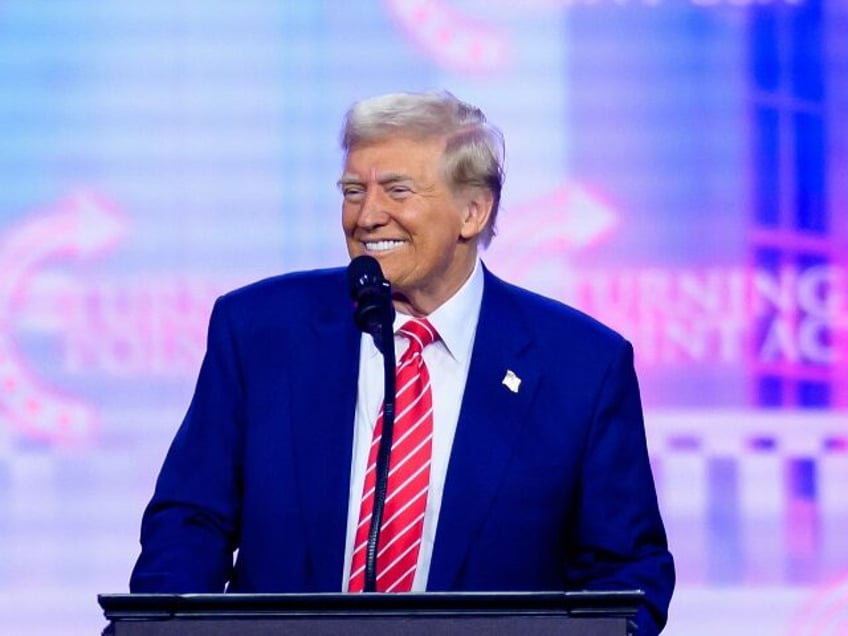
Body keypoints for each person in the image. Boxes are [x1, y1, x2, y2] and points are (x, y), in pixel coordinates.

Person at [130, 90, 675, 634]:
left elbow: (627, 575)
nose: (367, 216)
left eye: (397, 190)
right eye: (352, 191)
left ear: (472, 210)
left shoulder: (581, 367)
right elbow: (188, 524)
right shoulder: (259, 331)